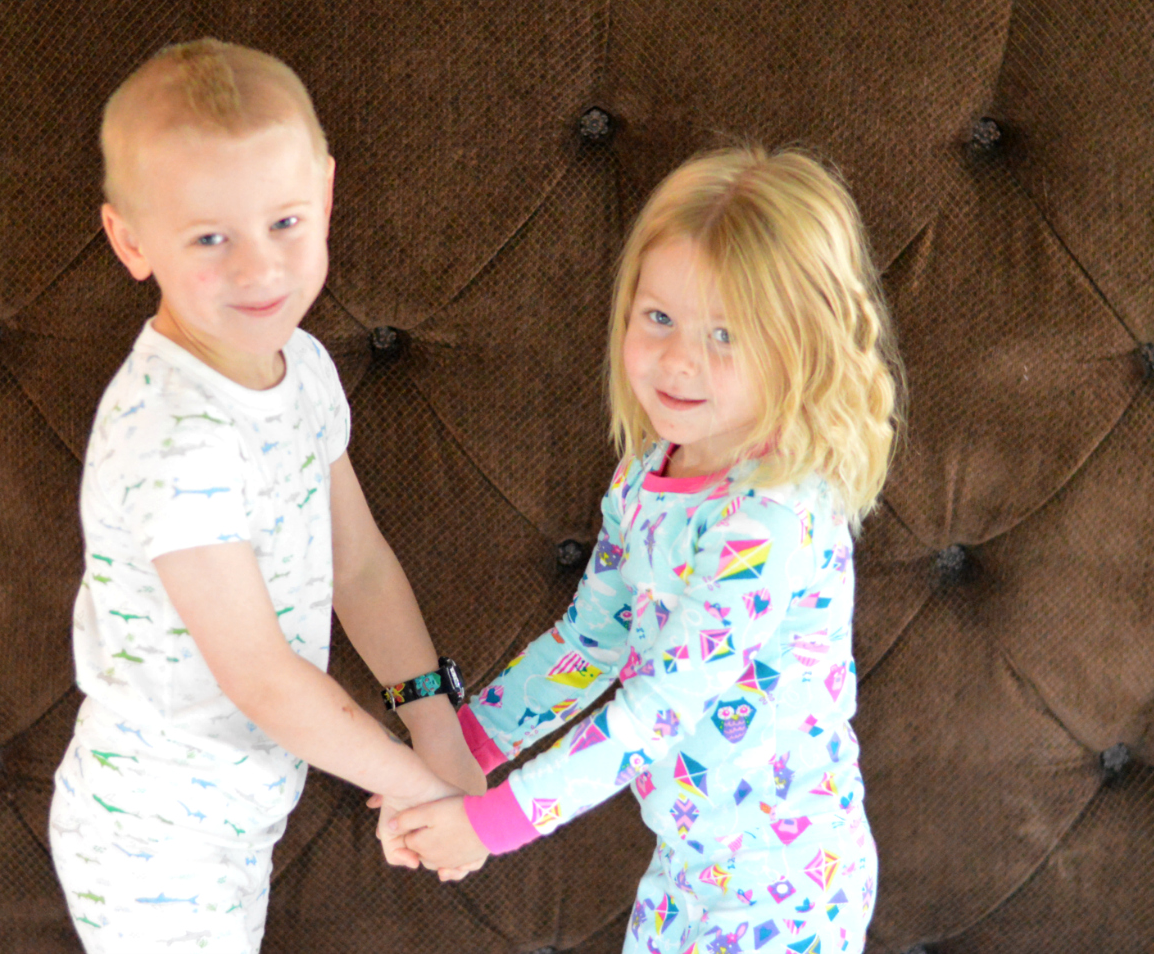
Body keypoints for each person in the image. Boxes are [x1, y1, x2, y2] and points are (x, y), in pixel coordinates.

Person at [385, 144, 902, 954]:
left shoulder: (766, 522)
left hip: (788, 890)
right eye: (658, 318)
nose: (678, 360)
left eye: (725, 334)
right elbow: (589, 641)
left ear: (799, 347)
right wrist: (462, 750)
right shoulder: (646, 474)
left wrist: (489, 823)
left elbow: (657, 709)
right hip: (688, 869)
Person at [48, 38, 483, 954]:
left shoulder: (303, 366)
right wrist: (421, 790)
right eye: (210, 238)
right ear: (132, 241)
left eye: (285, 222)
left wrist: (437, 731)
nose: (259, 270)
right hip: (151, 838)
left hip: (239, 814)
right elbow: (261, 679)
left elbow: (359, 567)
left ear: (325, 194)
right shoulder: (176, 435)